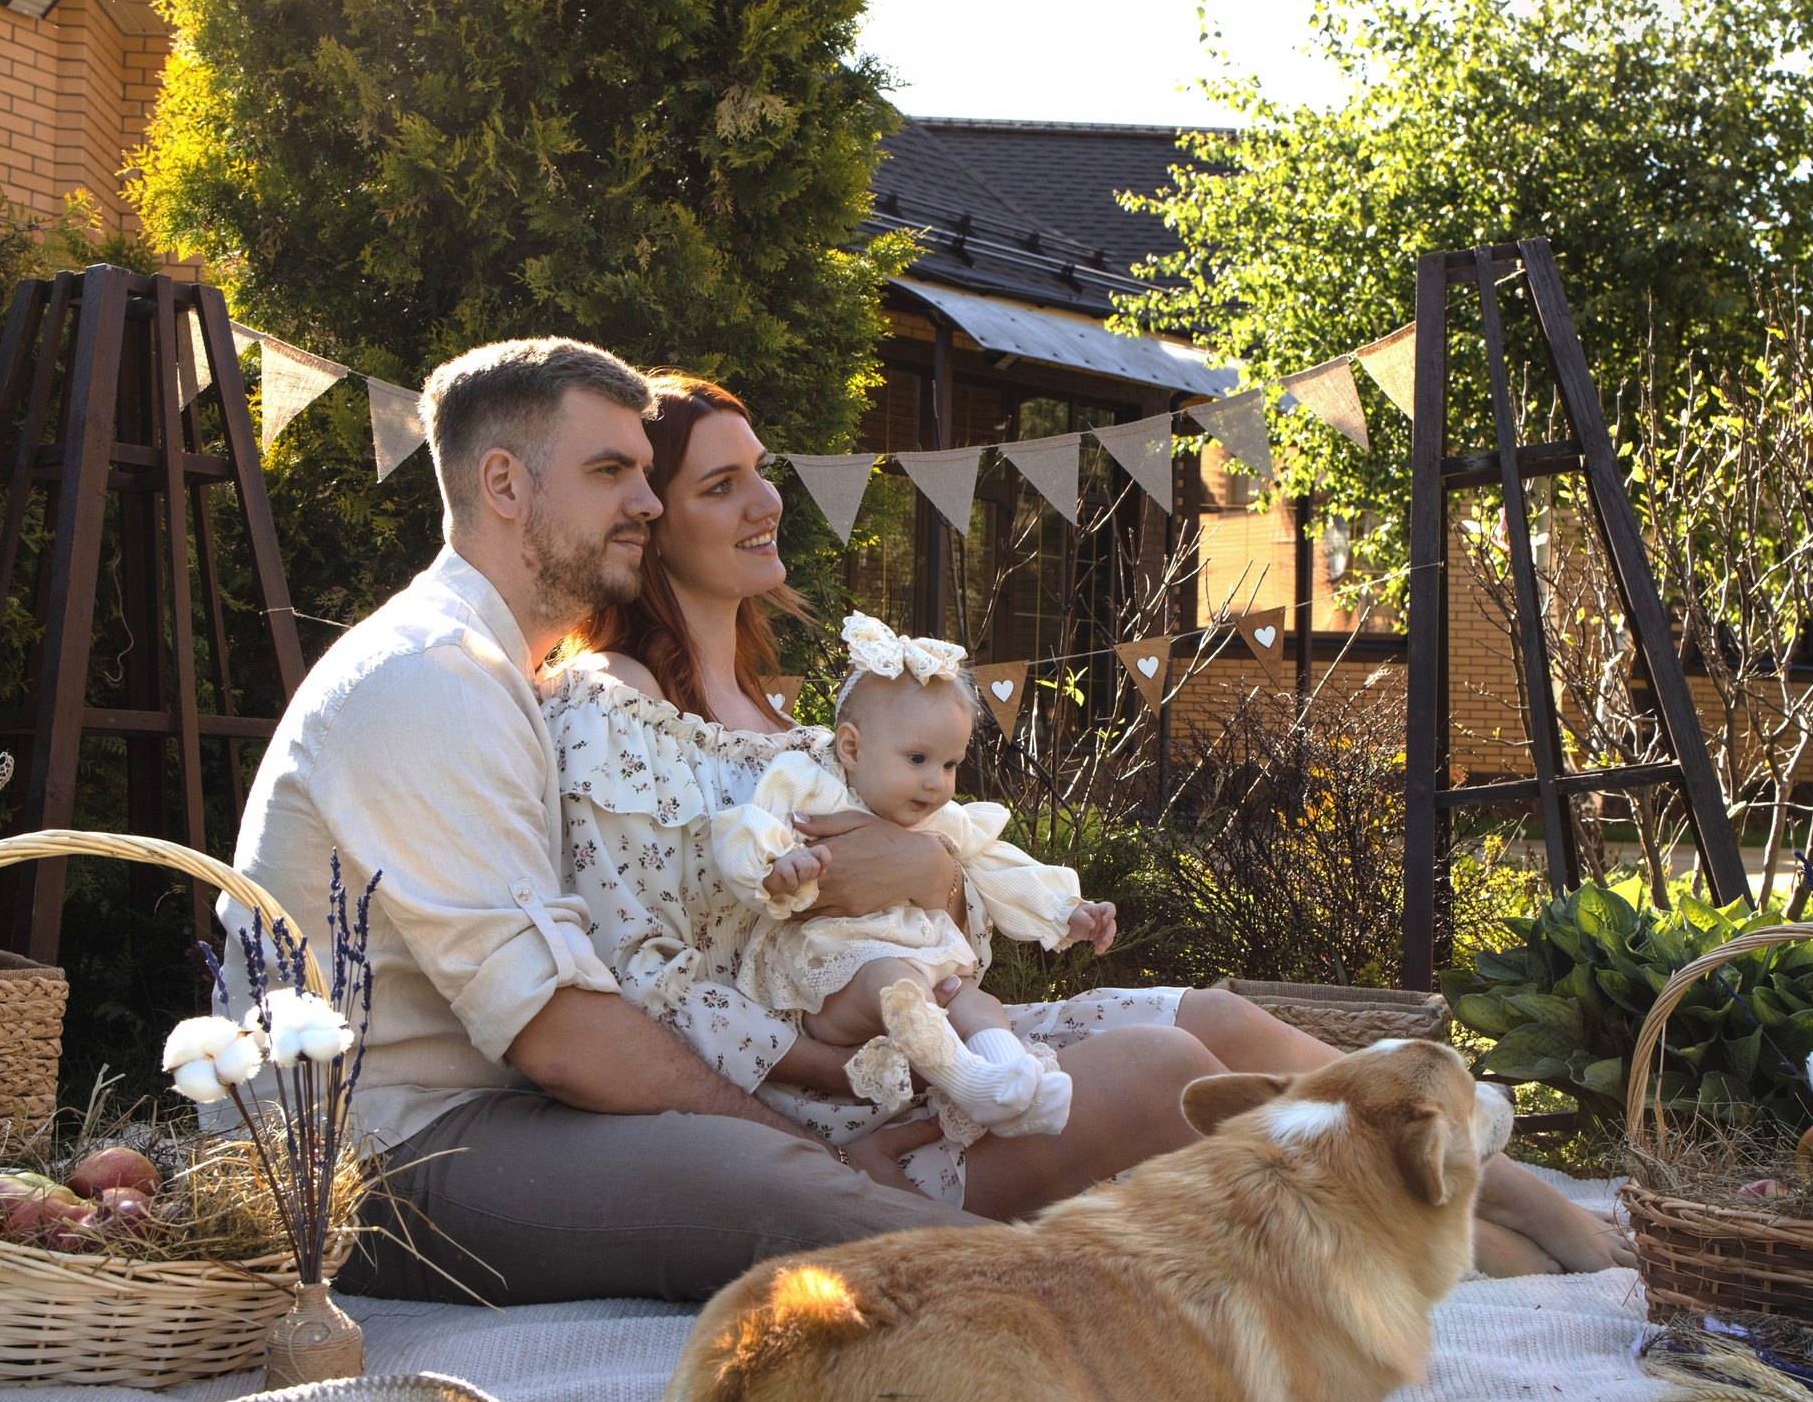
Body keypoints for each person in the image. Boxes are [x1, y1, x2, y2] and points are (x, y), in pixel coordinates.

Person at [549, 371, 1632, 1274]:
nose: (765, 505)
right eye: (721, 486)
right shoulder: (616, 709)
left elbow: (943, 915)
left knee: (1221, 1019)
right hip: (841, 1104)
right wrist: (821, 1086)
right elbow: (638, 971)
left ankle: (1515, 1205)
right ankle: (1482, 1249)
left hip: (948, 1033)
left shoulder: (798, 717)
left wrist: (926, 874)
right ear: (649, 516)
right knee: (1170, 1070)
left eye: (764, 477)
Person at [221, 338, 981, 1310]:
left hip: (485, 1117)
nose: (650, 503)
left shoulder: (496, 676)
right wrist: (802, 1143)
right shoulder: (427, 678)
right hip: (366, 1163)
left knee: (788, 1162)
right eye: (611, 470)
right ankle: (1080, 1299)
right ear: (504, 483)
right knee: (765, 1186)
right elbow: (561, 1037)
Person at [707, 612, 1118, 1201]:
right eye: (918, 759)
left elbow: (995, 862)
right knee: (893, 977)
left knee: (973, 999)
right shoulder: (809, 784)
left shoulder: (935, 818)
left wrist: (1066, 909)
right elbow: (746, 827)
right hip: (830, 976)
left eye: (950, 765)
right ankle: (968, 1079)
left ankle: (1008, 1077)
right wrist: (779, 867)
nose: (936, 784)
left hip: (921, 974)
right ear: (851, 747)